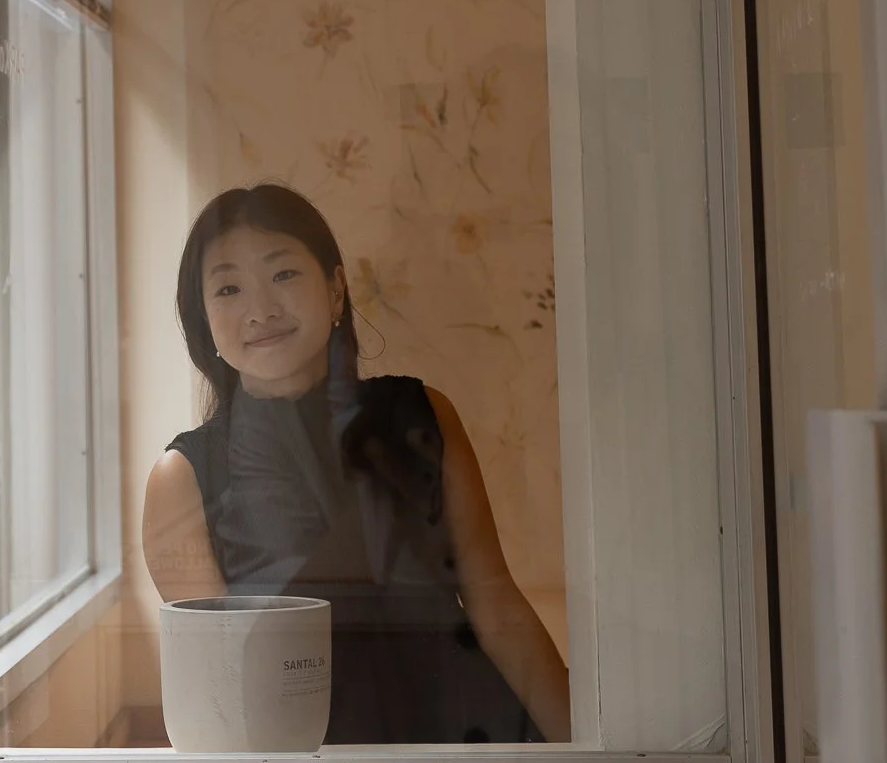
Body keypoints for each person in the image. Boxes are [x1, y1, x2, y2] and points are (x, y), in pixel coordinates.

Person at [142, 184, 570, 745]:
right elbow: (226, 700)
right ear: (204, 320)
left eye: (284, 274)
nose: (261, 309)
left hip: (471, 737)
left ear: (336, 288)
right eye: (228, 288)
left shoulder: (424, 414)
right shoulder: (183, 478)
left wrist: (591, 749)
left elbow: (498, 605)